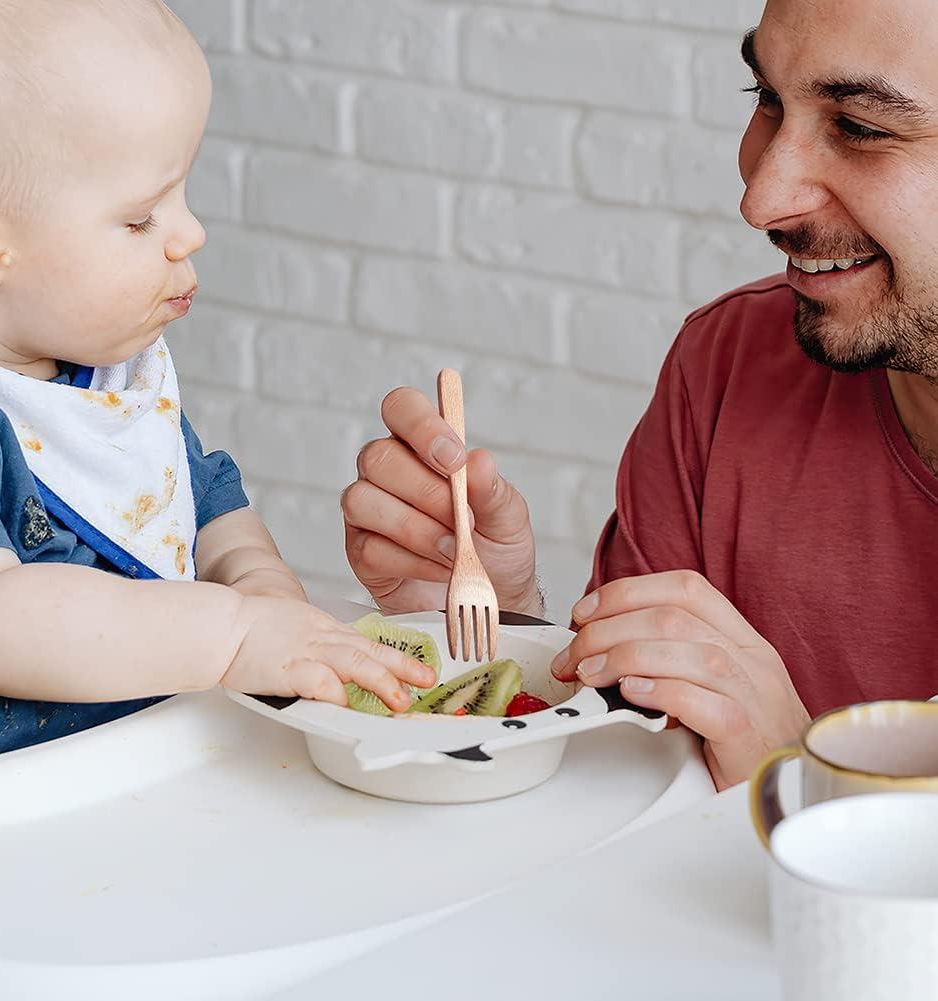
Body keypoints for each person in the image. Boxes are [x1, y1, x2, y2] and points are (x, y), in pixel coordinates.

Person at [342, 0, 938, 790]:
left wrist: (796, 779)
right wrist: (501, 638)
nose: (761, 199)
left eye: (860, 127)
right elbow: (631, 780)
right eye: (765, 100)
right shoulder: (730, 360)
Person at [0, 0, 434, 765]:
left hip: (143, 763)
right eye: (140, 218)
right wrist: (230, 633)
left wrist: (262, 589)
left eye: (182, 194)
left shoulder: (107, 369)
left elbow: (200, 502)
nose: (191, 232)